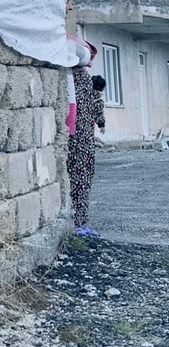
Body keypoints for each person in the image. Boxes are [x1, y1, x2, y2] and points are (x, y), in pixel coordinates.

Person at [67, 47, 106, 234]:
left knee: (79, 178)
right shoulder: (79, 77)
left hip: (79, 139)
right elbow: (93, 108)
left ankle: (79, 221)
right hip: (81, 140)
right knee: (80, 178)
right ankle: (78, 222)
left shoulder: (75, 76)